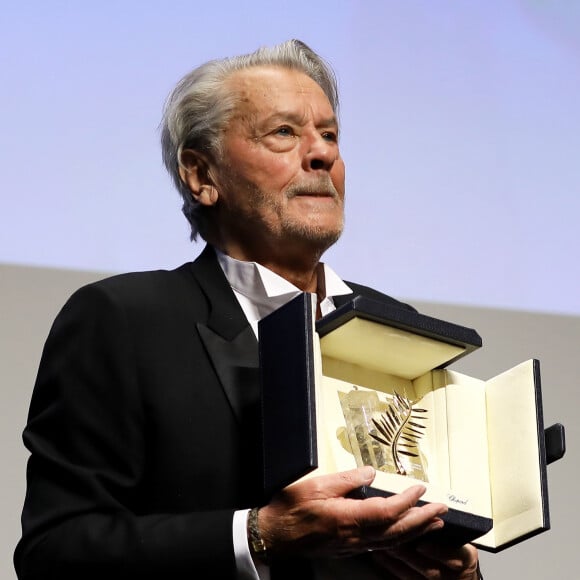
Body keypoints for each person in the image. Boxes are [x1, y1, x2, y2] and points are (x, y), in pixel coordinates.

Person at [15, 40, 481, 579]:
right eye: (284, 133)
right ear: (202, 176)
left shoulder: (393, 331)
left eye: (329, 135)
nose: (322, 153)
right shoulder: (122, 320)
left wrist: (459, 575)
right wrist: (257, 536)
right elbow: (56, 551)